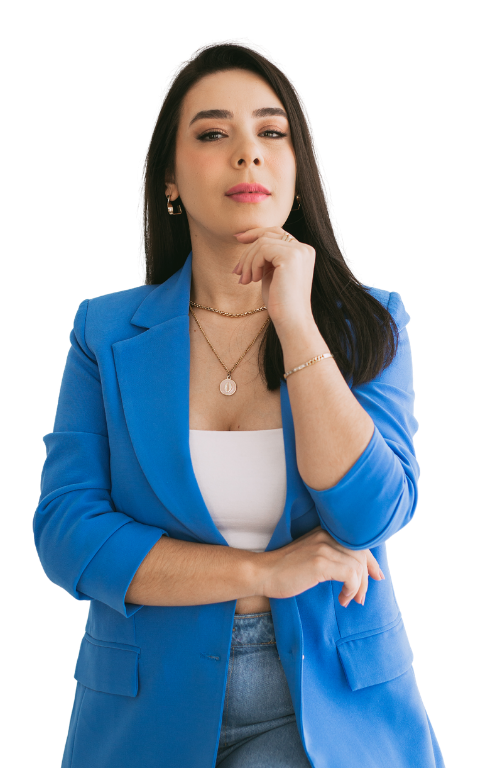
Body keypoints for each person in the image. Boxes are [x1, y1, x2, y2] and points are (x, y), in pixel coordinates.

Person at [33, 40, 446, 768]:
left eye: (271, 131)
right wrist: (261, 572)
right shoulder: (104, 331)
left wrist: (297, 323)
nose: (247, 152)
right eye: (213, 133)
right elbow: (68, 533)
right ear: (170, 178)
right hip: (143, 713)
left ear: (297, 167)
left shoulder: (369, 322)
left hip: (325, 703)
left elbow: (371, 516)